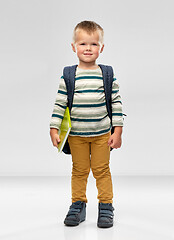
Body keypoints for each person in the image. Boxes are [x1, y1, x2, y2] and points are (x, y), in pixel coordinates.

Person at [50, 20, 124, 228]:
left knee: (102, 170)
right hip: (76, 136)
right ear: (73, 47)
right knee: (79, 171)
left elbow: (116, 103)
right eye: (83, 44)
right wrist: (54, 128)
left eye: (93, 44)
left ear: (101, 48)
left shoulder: (106, 73)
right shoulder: (68, 75)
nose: (88, 48)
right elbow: (60, 104)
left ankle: (106, 206)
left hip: (102, 134)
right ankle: (77, 205)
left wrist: (117, 131)